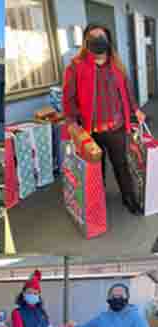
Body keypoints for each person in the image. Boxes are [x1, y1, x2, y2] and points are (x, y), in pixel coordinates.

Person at [62, 24, 147, 215]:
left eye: (101, 35)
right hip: (90, 129)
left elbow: (127, 91)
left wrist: (135, 110)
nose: (98, 39)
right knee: (95, 169)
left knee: (121, 164)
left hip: (116, 126)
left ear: (107, 40)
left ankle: (129, 199)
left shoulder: (117, 65)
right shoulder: (76, 66)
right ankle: (95, 201)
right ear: (86, 42)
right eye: (93, 36)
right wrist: (72, 122)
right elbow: (69, 98)